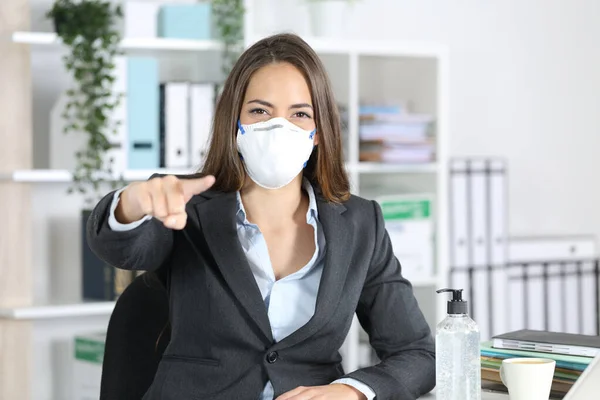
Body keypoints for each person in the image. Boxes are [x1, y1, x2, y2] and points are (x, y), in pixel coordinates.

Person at [87, 33, 435, 400]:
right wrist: (134, 201)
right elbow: (119, 248)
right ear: (234, 123)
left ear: (319, 133)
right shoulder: (183, 207)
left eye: (300, 114)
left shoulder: (362, 224)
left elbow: (418, 353)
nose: (278, 127)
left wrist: (351, 391)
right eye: (260, 111)